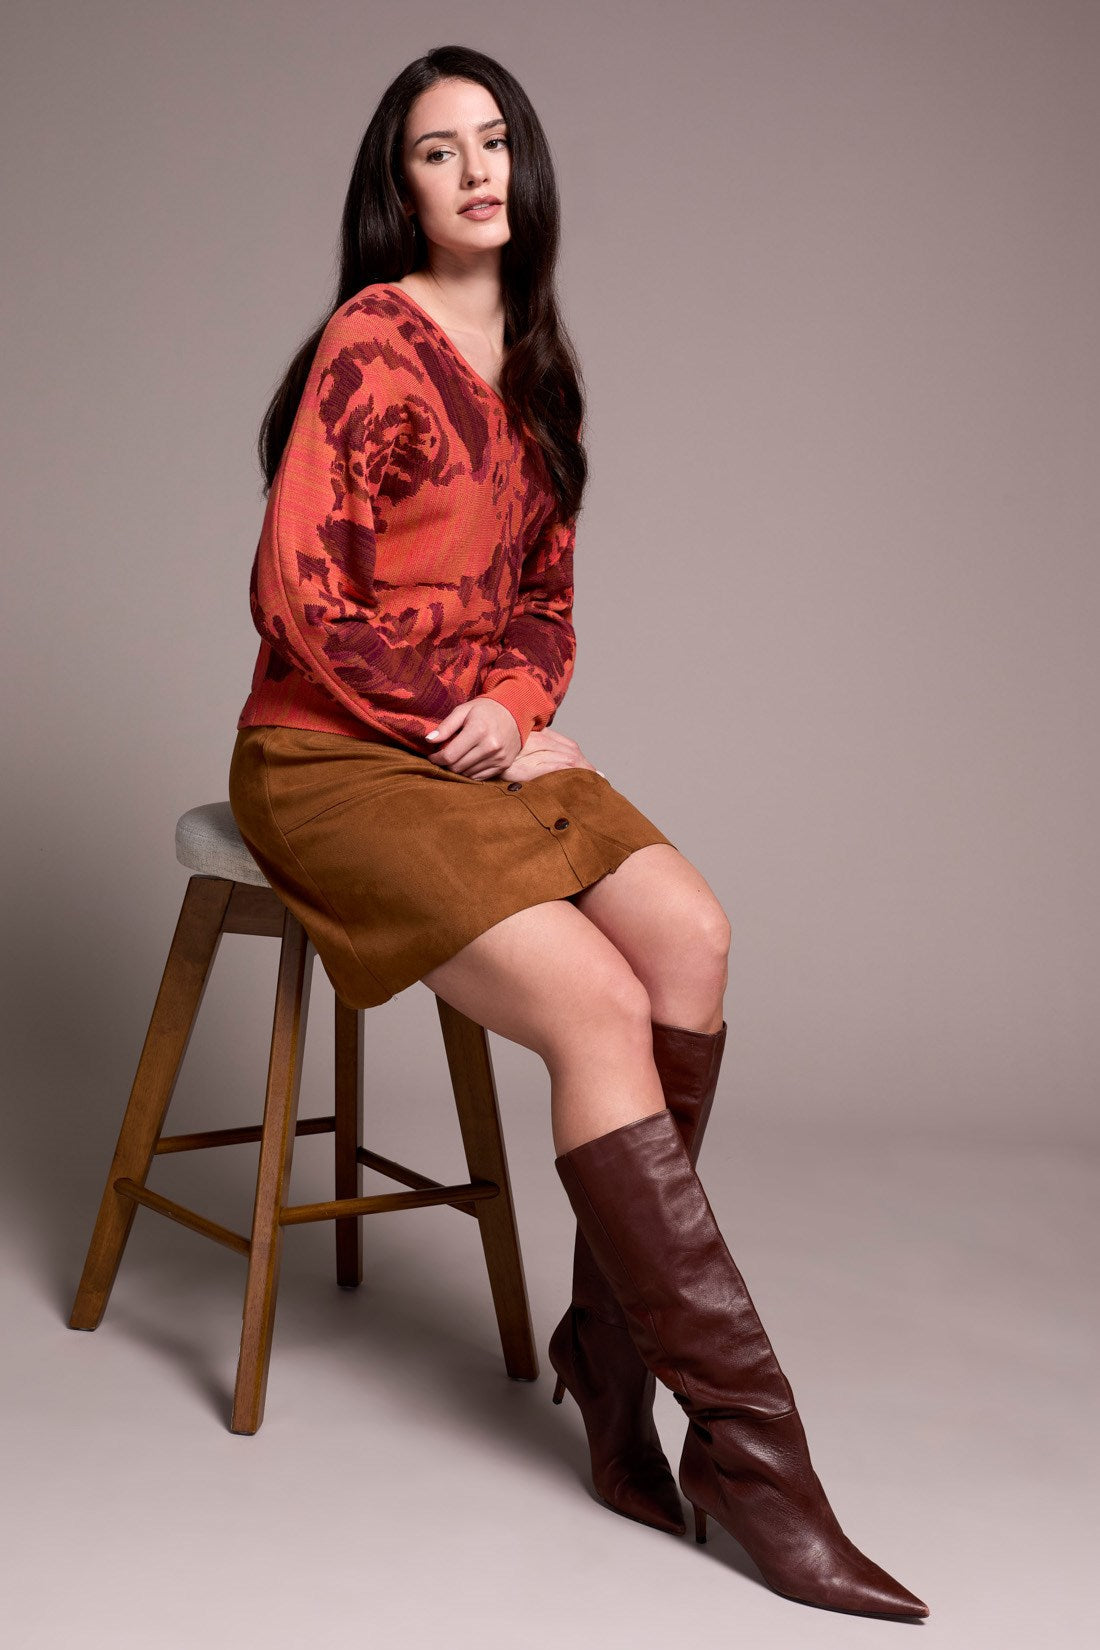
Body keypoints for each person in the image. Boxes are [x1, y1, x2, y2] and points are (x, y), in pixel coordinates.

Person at [228, 44, 928, 1621]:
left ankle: (611, 1347)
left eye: (494, 142)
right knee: (603, 1006)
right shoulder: (370, 343)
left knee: (692, 936)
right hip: (337, 749)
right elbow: (299, 594)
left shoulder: (537, 367)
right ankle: (762, 1463)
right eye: (434, 150)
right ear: (393, 184)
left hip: (482, 739)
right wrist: (449, 716)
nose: (473, 170)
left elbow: (542, 602)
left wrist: (525, 699)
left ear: (525, 167)